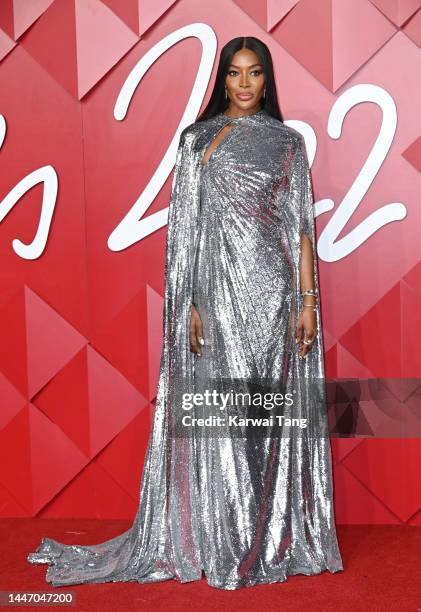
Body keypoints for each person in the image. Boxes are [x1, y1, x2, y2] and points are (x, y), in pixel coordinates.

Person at [27, 36, 343, 590]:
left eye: (255, 74)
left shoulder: (289, 144)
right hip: (217, 301)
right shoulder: (198, 142)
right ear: (221, 79)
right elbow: (186, 232)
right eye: (235, 74)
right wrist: (191, 304)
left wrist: (308, 304)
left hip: (274, 302)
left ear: (267, 81)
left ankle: (264, 540)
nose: (244, 85)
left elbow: (300, 231)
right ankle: (224, 539)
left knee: (264, 419)